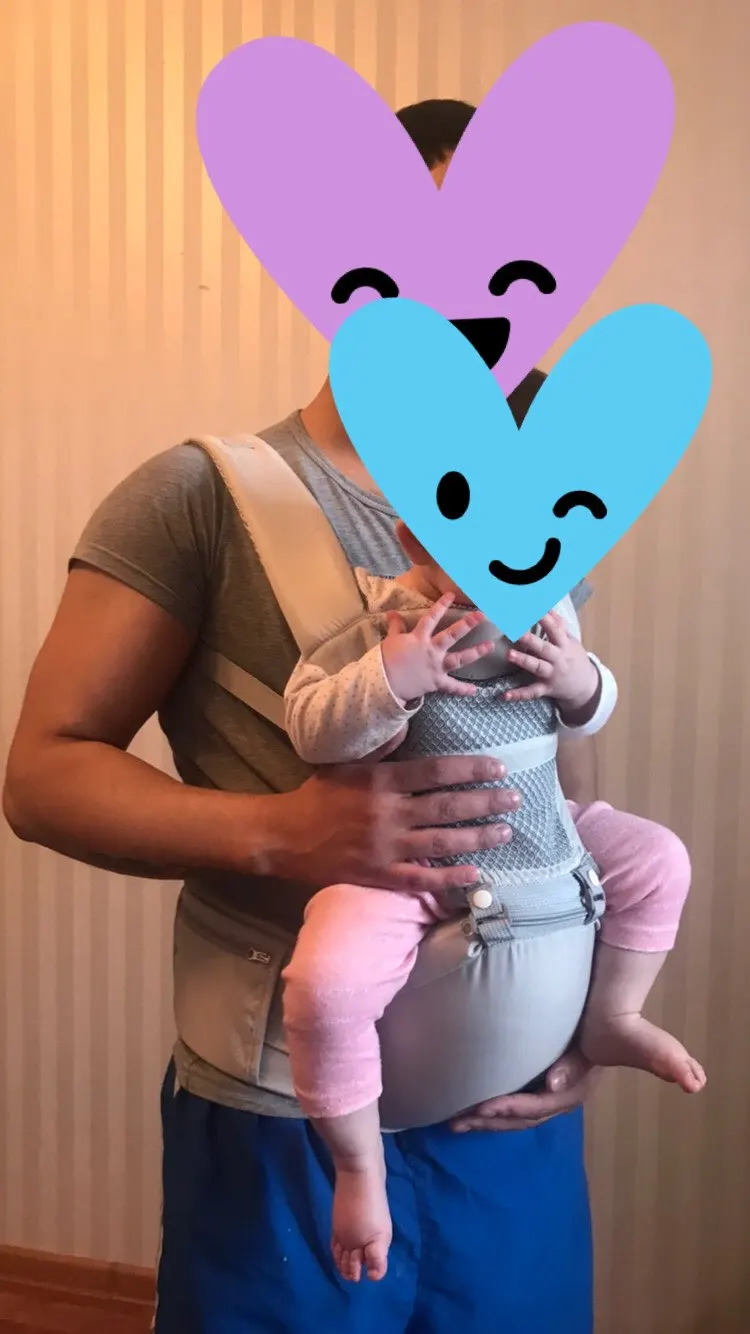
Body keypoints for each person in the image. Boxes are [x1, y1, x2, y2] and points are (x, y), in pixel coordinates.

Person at [1, 99, 692, 1333]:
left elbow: (552, 767)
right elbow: (43, 773)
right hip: (287, 1113)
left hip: (512, 1106)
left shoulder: (538, 497)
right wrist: (285, 832)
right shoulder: (200, 494)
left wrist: (589, 1014)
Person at [282, 520, 703, 1283]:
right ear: (417, 544)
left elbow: (591, 709)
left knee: (660, 861)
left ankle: (615, 1015)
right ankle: (358, 1167)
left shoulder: (548, 609)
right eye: (483, 555)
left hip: (542, 829)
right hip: (413, 863)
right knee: (325, 984)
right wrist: (388, 680)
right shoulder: (378, 626)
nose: (515, 574)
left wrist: (582, 682)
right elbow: (310, 727)